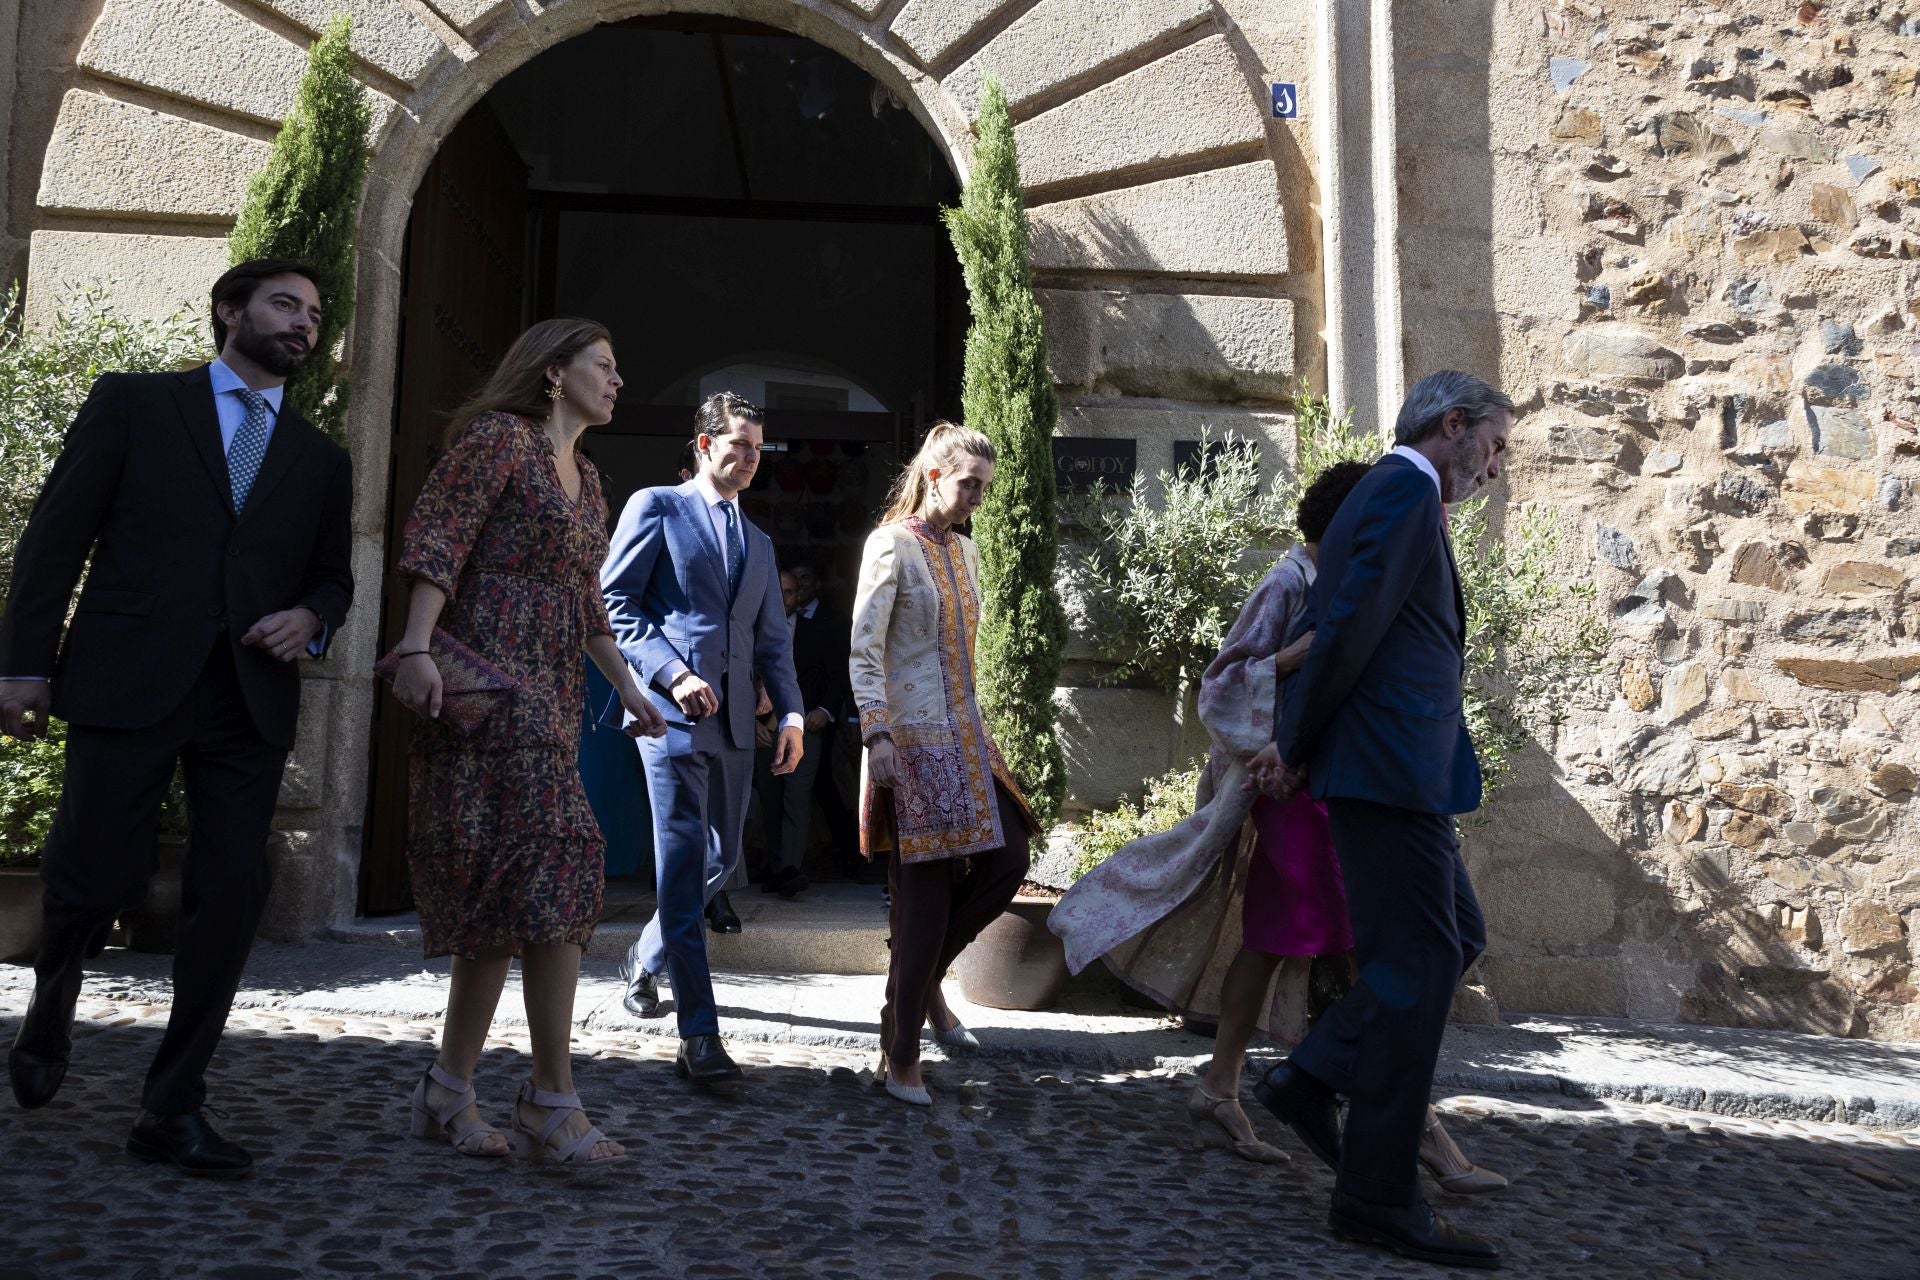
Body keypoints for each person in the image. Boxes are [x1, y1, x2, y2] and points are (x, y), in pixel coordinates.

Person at [0, 260, 353, 1176]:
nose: (304, 323)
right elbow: (56, 536)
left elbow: (333, 576)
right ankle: (52, 1002)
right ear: (230, 311)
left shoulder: (320, 458)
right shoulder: (135, 404)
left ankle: (172, 1103)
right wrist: (24, 665)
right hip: (129, 676)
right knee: (88, 875)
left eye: (315, 315)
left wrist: (311, 617)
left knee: (230, 892)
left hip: (247, 696)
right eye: (285, 304)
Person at [386, 318, 666, 1167]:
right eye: (604, 365)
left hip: (548, 692)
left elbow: (587, 598)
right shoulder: (498, 442)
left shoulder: (591, 477)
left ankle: (450, 1088)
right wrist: (416, 647)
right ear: (553, 372)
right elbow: (439, 539)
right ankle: (550, 1098)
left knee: (515, 894)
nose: (617, 380)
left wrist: (628, 686)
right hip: (482, 684)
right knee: (557, 859)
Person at [1250, 371, 1513, 1269]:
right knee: (1418, 964)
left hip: (1405, 773)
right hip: (1386, 771)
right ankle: (1376, 1194)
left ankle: (1313, 1074)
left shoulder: (1399, 495)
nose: (1494, 466)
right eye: (1493, 445)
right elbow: (1345, 629)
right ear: (1453, 424)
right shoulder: (1401, 490)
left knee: (1454, 936)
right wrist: (1294, 743)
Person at [603, 392, 804, 1089]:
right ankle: (699, 1036)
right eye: (738, 445)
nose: (749, 459)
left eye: (757, 449)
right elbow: (615, 602)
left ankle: (644, 956)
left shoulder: (761, 543)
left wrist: (792, 717)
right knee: (686, 863)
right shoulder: (657, 506)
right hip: (669, 719)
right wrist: (673, 672)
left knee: (722, 859)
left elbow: (774, 642)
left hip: (738, 725)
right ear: (703, 445)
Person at [851, 421, 1038, 1106]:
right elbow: (865, 649)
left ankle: (921, 982)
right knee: (924, 897)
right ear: (934, 477)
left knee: (1010, 859)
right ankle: (901, 1053)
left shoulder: (968, 551)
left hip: (967, 735)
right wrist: (877, 735)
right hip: (909, 740)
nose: (978, 498)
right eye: (969, 484)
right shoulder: (890, 544)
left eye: (985, 487)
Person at [755, 556, 853, 897]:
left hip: (805, 727)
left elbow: (838, 675)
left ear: (799, 596)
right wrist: (751, 723)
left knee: (796, 798)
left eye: (790, 592)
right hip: (763, 731)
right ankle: (776, 866)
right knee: (769, 802)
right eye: (779, 591)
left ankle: (790, 869)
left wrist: (824, 711)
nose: (784, 598)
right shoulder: (751, 631)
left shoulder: (819, 628)